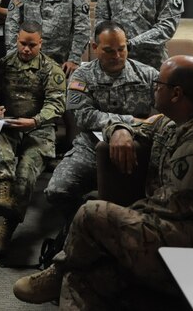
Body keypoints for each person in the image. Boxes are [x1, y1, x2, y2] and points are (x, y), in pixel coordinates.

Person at [13, 56, 193, 308]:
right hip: (184, 231)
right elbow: (138, 129)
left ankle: (59, 270)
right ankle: (63, 273)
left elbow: (174, 207)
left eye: (160, 84)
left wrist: (113, 225)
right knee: (84, 277)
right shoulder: (173, 120)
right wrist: (120, 130)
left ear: (176, 94)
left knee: (93, 213)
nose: (155, 88)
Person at [45, 21, 157, 218]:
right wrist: (126, 123)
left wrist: (133, 128)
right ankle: (82, 225)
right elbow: (83, 115)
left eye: (122, 49)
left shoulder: (147, 75)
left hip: (138, 146)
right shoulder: (82, 75)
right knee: (57, 191)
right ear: (95, 48)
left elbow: (167, 113)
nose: (117, 56)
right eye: (109, 50)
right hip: (91, 146)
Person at [0, 21, 66, 256]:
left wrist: (35, 121)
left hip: (39, 128)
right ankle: (3, 193)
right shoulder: (3, 65)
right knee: (3, 151)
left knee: (27, 171)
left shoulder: (51, 70)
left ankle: (9, 224)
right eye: (22, 43)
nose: (26, 49)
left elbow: (56, 104)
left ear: (41, 44)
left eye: (32, 45)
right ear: (16, 40)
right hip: (9, 124)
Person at [6, 0, 90, 76]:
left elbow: (83, 27)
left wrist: (74, 59)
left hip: (64, 63)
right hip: (29, 60)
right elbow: (11, 22)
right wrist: (13, 55)